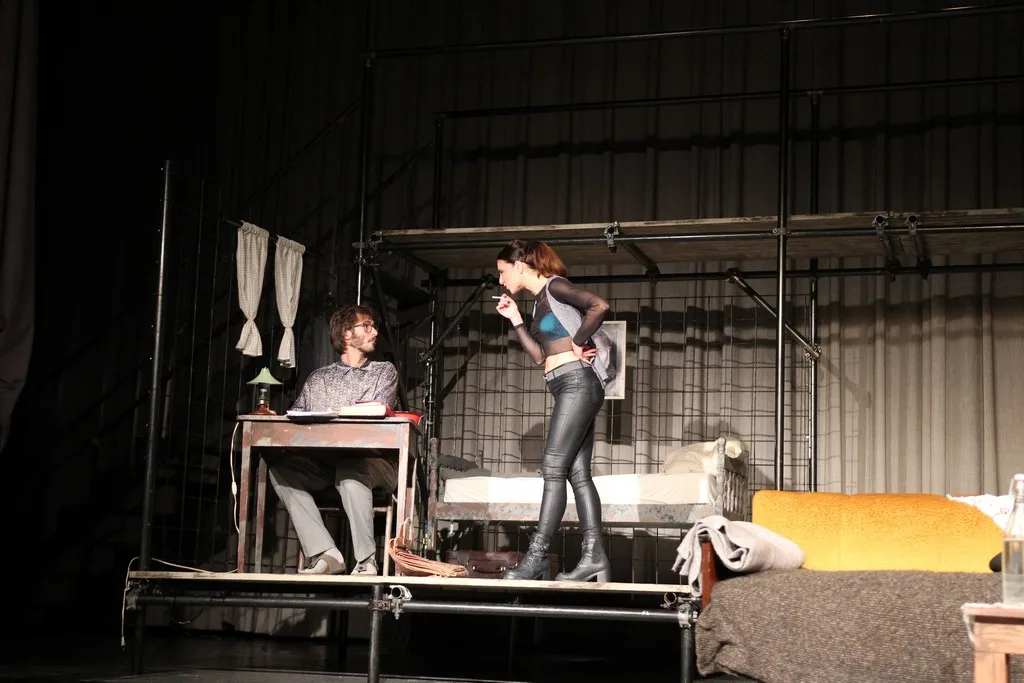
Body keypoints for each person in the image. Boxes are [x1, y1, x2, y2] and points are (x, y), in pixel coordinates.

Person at [493, 239, 612, 582]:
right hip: (568, 384)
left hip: (577, 383)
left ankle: (537, 558)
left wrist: (578, 340)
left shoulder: (555, 287)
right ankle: (595, 558)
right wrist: (516, 319)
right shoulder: (538, 303)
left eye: (502, 271)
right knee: (578, 474)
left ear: (519, 265)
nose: (501, 279)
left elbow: (599, 305)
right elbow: (539, 356)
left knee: (553, 468)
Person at [266, 304, 398, 575]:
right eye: (367, 326)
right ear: (347, 334)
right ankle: (326, 553)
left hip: (373, 462)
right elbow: (298, 418)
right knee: (281, 470)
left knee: (351, 471)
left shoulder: (383, 372)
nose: (375, 332)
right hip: (327, 464)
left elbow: (377, 414)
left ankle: (366, 561)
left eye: (374, 326)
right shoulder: (319, 379)